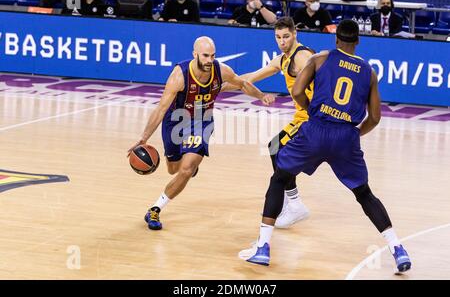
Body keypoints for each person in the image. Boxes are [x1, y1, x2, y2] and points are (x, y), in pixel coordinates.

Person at [238, 20, 412, 273]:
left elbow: (298, 90)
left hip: (316, 130)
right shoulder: (369, 72)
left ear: (336, 39)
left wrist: (312, 112)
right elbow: (374, 117)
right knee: (364, 194)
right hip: (346, 137)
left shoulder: (319, 59)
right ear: (358, 41)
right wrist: (355, 134)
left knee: (279, 178)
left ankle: (263, 247)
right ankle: (397, 248)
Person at [128, 36, 275, 231]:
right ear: (195, 54)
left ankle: (155, 209)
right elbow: (161, 109)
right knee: (173, 169)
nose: (209, 60)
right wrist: (143, 138)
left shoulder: (221, 69)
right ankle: (187, 164)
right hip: (175, 120)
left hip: (201, 121)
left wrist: (261, 96)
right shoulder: (179, 76)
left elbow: (242, 84)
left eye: (213, 56)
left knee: (186, 169)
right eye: (205, 56)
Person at [223, 17, 312, 228]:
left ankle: (294, 203)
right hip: (300, 118)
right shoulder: (282, 60)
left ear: (295, 34)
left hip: (312, 118)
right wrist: (219, 86)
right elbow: (248, 78)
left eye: (286, 37)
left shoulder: (302, 57)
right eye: (278, 37)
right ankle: (293, 203)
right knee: (276, 148)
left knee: (278, 150)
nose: (282, 41)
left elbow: (323, 74)